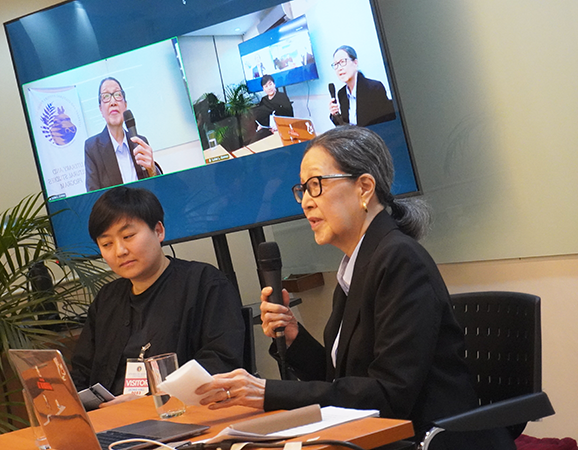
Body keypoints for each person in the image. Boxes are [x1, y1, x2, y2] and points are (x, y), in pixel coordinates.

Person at [196, 126, 515, 449]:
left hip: (427, 441)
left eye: (316, 185)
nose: (306, 203)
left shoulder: (400, 260)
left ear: (364, 188)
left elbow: (389, 395)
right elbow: (341, 381)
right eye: (303, 190)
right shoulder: (358, 263)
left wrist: (268, 391)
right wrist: (294, 338)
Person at [70, 186, 244, 406]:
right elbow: (82, 372)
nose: (120, 251)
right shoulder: (106, 299)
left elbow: (220, 362)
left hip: (181, 414)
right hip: (109, 418)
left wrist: (150, 400)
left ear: (159, 231)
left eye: (128, 236)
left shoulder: (204, 283)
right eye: (107, 244)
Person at [84, 77, 161, 192]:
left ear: (125, 105)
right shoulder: (92, 148)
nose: (113, 102)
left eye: (117, 95)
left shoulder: (140, 142)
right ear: (101, 109)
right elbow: (93, 196)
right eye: (106, 96)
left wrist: (152, 170)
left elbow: (158, 188)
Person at [328, 45, 396, 127]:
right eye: (336, 64)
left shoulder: (374, 88)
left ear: (355, 63)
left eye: (342, 62)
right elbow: (346, 127)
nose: (339, 68)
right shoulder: (342, 94)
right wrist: (335, 115)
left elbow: (384, 124)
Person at [253, 74, 294, 142]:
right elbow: (261, 117)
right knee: (255, 140)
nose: (269, 88)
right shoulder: (264, 100)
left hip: (282, 128)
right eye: (266, 86)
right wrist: (260, 126)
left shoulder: (282, 97)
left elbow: (290, 116)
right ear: (263, 89)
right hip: (268, 130)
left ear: (274, 84)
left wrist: (278, 126)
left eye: (270, 84)